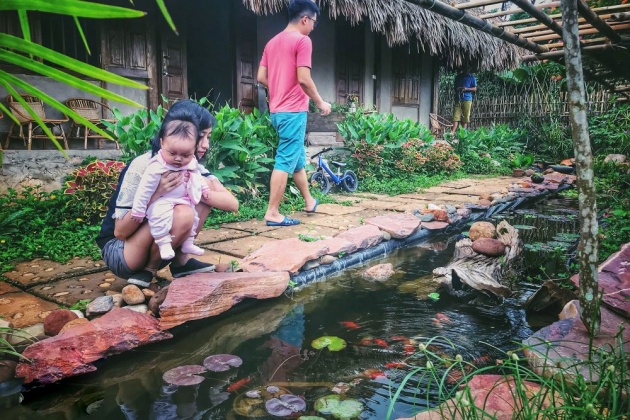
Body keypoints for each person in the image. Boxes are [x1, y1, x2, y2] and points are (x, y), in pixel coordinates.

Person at [96, 100, 238, 287]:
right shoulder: (145, 165)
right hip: (122, 253)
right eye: (201, 137)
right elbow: (120, 232)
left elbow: (233, 204)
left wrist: (197, 186)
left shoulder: (191, 166)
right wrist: (156, 193)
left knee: (201, 195)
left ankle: (181, 262)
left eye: (208, 137)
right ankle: (149, 270)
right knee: (183, 213)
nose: (205, 145)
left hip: (160, 249)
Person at [257, 0, 331, 227]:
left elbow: (261, 77)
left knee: (297, 158)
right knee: (285, 159)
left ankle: (309, 201)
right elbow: (303, 79)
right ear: (305, 19)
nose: (313, 28)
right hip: (293, 111)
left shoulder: (272, 43)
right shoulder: (303, 41)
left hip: (277, 111)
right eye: (313, 23)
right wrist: (320, 102)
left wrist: (279, 88)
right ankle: (272, 212)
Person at [130, 120, 209, 260]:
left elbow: (197, 176)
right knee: (159, 217)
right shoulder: (157, 166)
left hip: (184, 199)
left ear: (194, 149)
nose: (178, 159)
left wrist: (205, 188)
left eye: (185, 155)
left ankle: (188, 243)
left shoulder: (191, 162)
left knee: (194, 217)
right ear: (162, 143)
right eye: (172, 153)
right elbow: (144, 190)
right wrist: (138, 210)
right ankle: (163, 242)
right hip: (163, 201)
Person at [451, 69, 477, 135]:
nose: (466, 69)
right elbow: (455, 87)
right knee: (455, 116)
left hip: (467, 99)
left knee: (465, 117)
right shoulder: (458, 77)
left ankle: (462, 134)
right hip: (458, 99)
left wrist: (466, 89)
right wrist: (458, 89)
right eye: (464, 67)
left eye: (467, 67)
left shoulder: (471, 77)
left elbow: (475, 89)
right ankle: (452, 134)